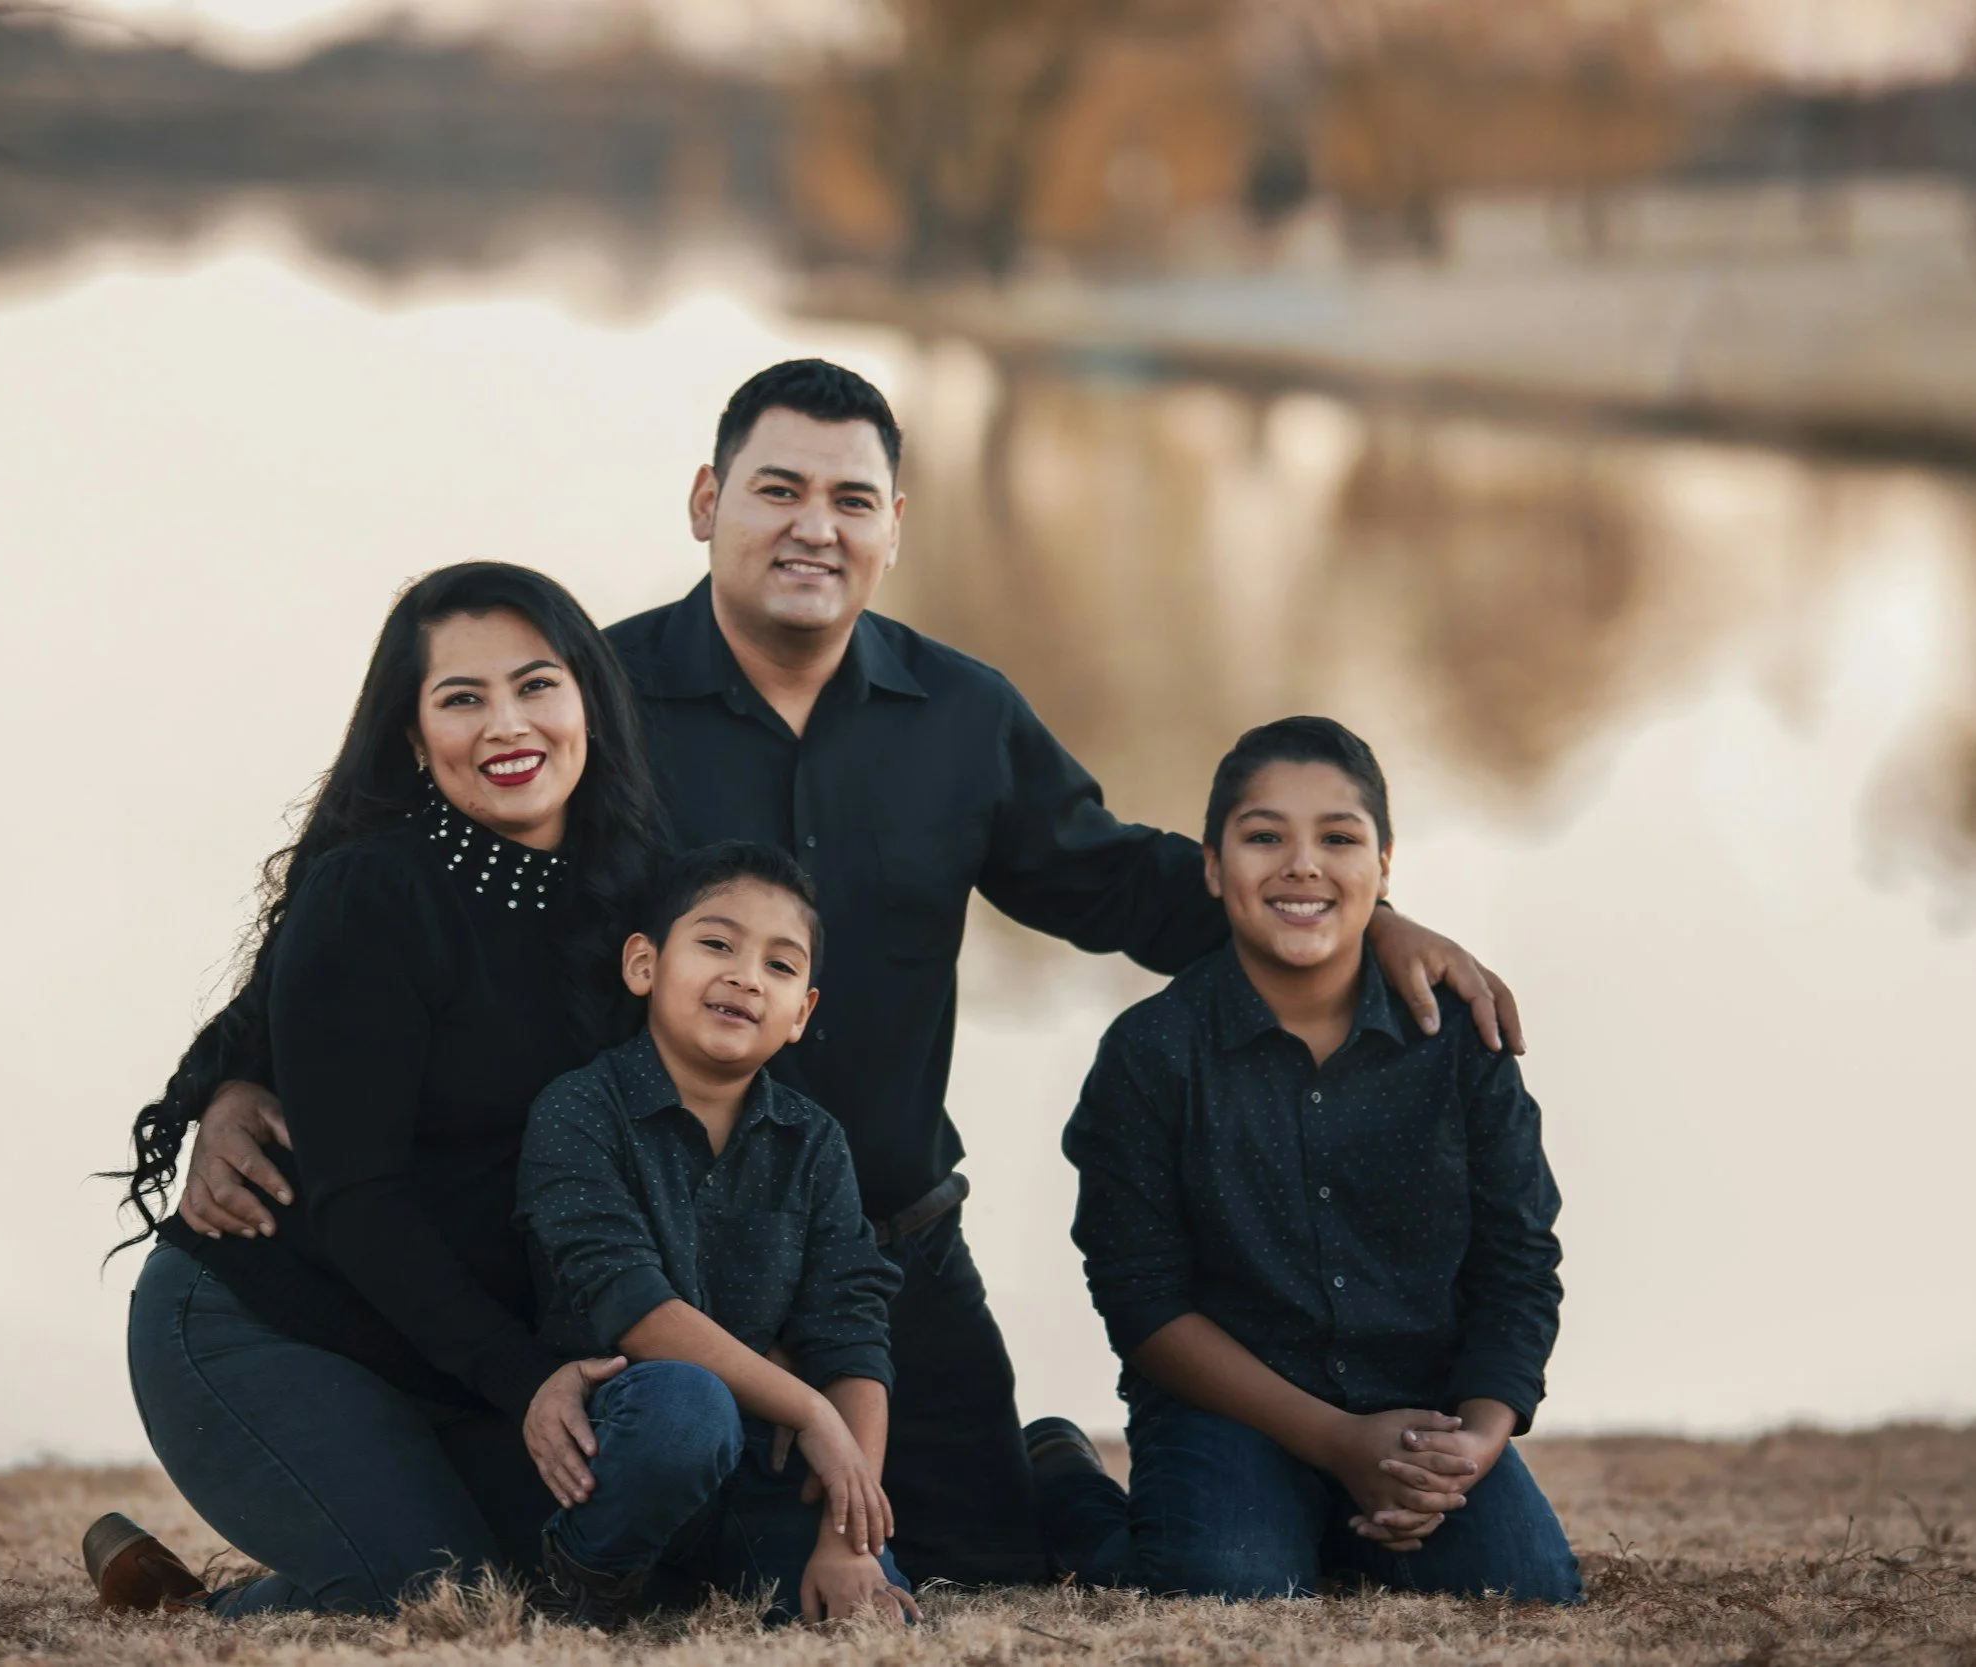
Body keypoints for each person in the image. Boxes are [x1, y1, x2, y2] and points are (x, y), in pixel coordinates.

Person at [171, 361, 1528, 1584]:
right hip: (676, 1253)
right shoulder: (594, 700)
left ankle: (1041, 1460)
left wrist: (1362, 921)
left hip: (890, 1244)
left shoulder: (965, 713)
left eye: (851, 497)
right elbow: (418, 892)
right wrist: (239, 1073)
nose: (813, 524)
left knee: (995, 1557)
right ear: (708, 501)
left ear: (893, 529)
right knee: (710, 1551)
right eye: (776, 488)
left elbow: (1118, 879)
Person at [86, 562, 666, 1615]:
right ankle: (181, 1612)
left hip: (443, 1348)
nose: (506, 724)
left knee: (584, 1570)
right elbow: (358, 1199)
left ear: (589, 698)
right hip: (266, 1321)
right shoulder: (374, 890)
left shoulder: (633, 894)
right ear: (410, 737)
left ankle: (317, 1553)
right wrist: (526, 1376)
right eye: (460, 698)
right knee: (436, 1598)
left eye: (536, 684)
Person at [1036, 717, 1578, 1603]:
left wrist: (1472, 1442)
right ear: (1212, 867)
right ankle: (1062, 1480)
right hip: (1233, 1410)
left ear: (1385, 864)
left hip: (1416, 1406)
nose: (1302, 865)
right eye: (1264, 837)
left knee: (1525, 1586)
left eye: (1338, 837)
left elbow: (1519, 1258)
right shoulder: (1152, 1052)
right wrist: (1334, 1443)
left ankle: (1327, 1526)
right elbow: (1140, 1297)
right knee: (1227, 1582)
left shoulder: (1459, 1043)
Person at [515, 843, 914, 1627]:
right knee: (689, 1408)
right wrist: (812, 1411)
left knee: (868, 1616)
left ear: (801, 1012)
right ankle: (585, 1577)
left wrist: (846, 1537)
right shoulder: (579, 1111)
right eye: (717, 944)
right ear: (643, 964)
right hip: (623, 1443)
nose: (745, 976)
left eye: (779, 964)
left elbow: (851, 1332)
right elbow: (634, 1306)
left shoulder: (814, 1142)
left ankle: (696, 1580)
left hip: (762, 1468)